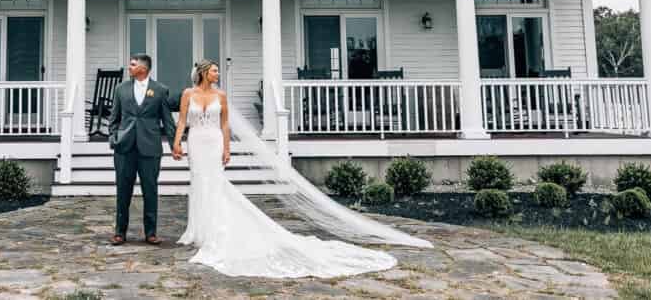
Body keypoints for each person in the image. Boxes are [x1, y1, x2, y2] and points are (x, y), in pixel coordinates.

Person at [172, 59, 422, 278]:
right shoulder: (187, 94)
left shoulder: (221, 97)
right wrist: (177, 142)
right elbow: (183, 120)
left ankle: (216, 229)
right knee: (199, 183)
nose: (217, 74)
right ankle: (197, 229)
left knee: (215, 184)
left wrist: (227, 149)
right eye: (214, 71)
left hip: (214, 141)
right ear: (204, 73)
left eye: (217, 71)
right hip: (196, 142)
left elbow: (225, 125)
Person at [107, 53, 179, 245]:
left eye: (132, 64)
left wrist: (174, 145)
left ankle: (151, 232)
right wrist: (114, 138)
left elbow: (167, 120)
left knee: (150, 190)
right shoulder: (121, 89)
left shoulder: (160, 90)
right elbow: (114, 118)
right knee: (123, 190)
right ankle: (120, 232)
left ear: (144, 68)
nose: (129, 67)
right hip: (124, 147)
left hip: (150, 147)